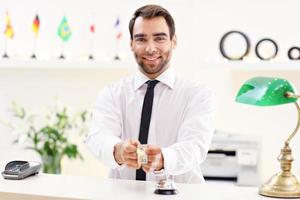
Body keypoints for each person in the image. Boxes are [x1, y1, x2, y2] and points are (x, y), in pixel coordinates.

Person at [86, 4, 215, 183]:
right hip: (123, 194)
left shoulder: (197, 94)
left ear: (174, 41)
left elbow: (196, 145)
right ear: (131, 44)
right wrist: (118, 150)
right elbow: (97, 137)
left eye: (159, 38)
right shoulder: (112, 93)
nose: (150, 48)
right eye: (141, 39)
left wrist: (164, 159)